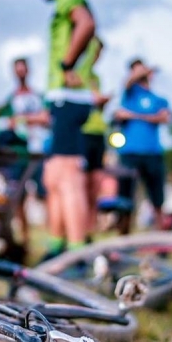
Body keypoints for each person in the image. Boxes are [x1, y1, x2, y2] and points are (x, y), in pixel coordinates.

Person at [18, 0, 96, 260]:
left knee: (67, 176)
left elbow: (87, 25)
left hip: (70, 97)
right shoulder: (65, 1)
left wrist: (68, 63)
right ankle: (57, 246)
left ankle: (76, 252)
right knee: (53, 176)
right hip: (64, 98)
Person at [113, 59, 170, 233]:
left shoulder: (159, 99)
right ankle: (123, 237)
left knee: (157, 199)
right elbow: (128, 83)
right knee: (125, 199)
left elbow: (164, 118)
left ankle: (161, 239)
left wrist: (133, 115)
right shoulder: (129, 94)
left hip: (153, 153)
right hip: (129, 153)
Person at [0, 58, 49, 244]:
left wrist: (23, 119)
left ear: (28, 71)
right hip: (19, 153)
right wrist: (28, 120)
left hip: (39, 150)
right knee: (18, 196)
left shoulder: (38, 96)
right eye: (17, 70)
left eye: (23, 69)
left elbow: (46, 118)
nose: (20, 73)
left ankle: (52, 235)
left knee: (45, 194)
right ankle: (24, 239)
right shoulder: (11, 99)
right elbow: (6, 123)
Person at [79, 37, 110, 238]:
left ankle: (89, 227)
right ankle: (79, 229)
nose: (97, 57)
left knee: (95, 184)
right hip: (83, 133)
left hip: (99, 133)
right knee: (80, 184)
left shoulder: (96, 78)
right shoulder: (78, 74)